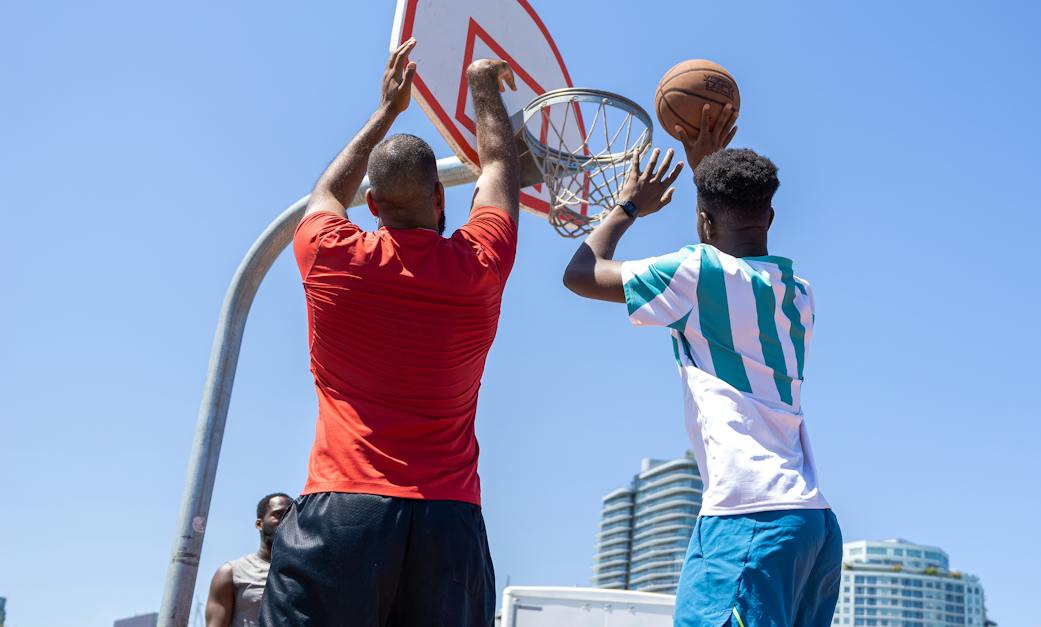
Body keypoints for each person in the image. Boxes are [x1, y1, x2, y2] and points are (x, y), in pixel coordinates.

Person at [260, 38, 522, 627]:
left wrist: (387, 110)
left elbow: (327, 191)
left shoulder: (330, 253)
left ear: (372, 204)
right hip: (446, 521)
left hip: (342, 511)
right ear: (439, 196)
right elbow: (500, 165)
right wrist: (482, 85)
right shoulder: (479, 264)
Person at [562, 104, 843, 627]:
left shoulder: (694, 273)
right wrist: (707, 172)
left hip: (747, 518)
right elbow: (728, 249)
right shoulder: (798, 295)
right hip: (813, 528)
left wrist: (628, 205)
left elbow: (581, 272)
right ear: (773, 217)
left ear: (704, 220)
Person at [204, 493, 293, 627]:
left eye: (292, 516)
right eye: (279, 514)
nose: (286, 520)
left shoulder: (306, 572)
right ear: (259, 524)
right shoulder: (232, 572)